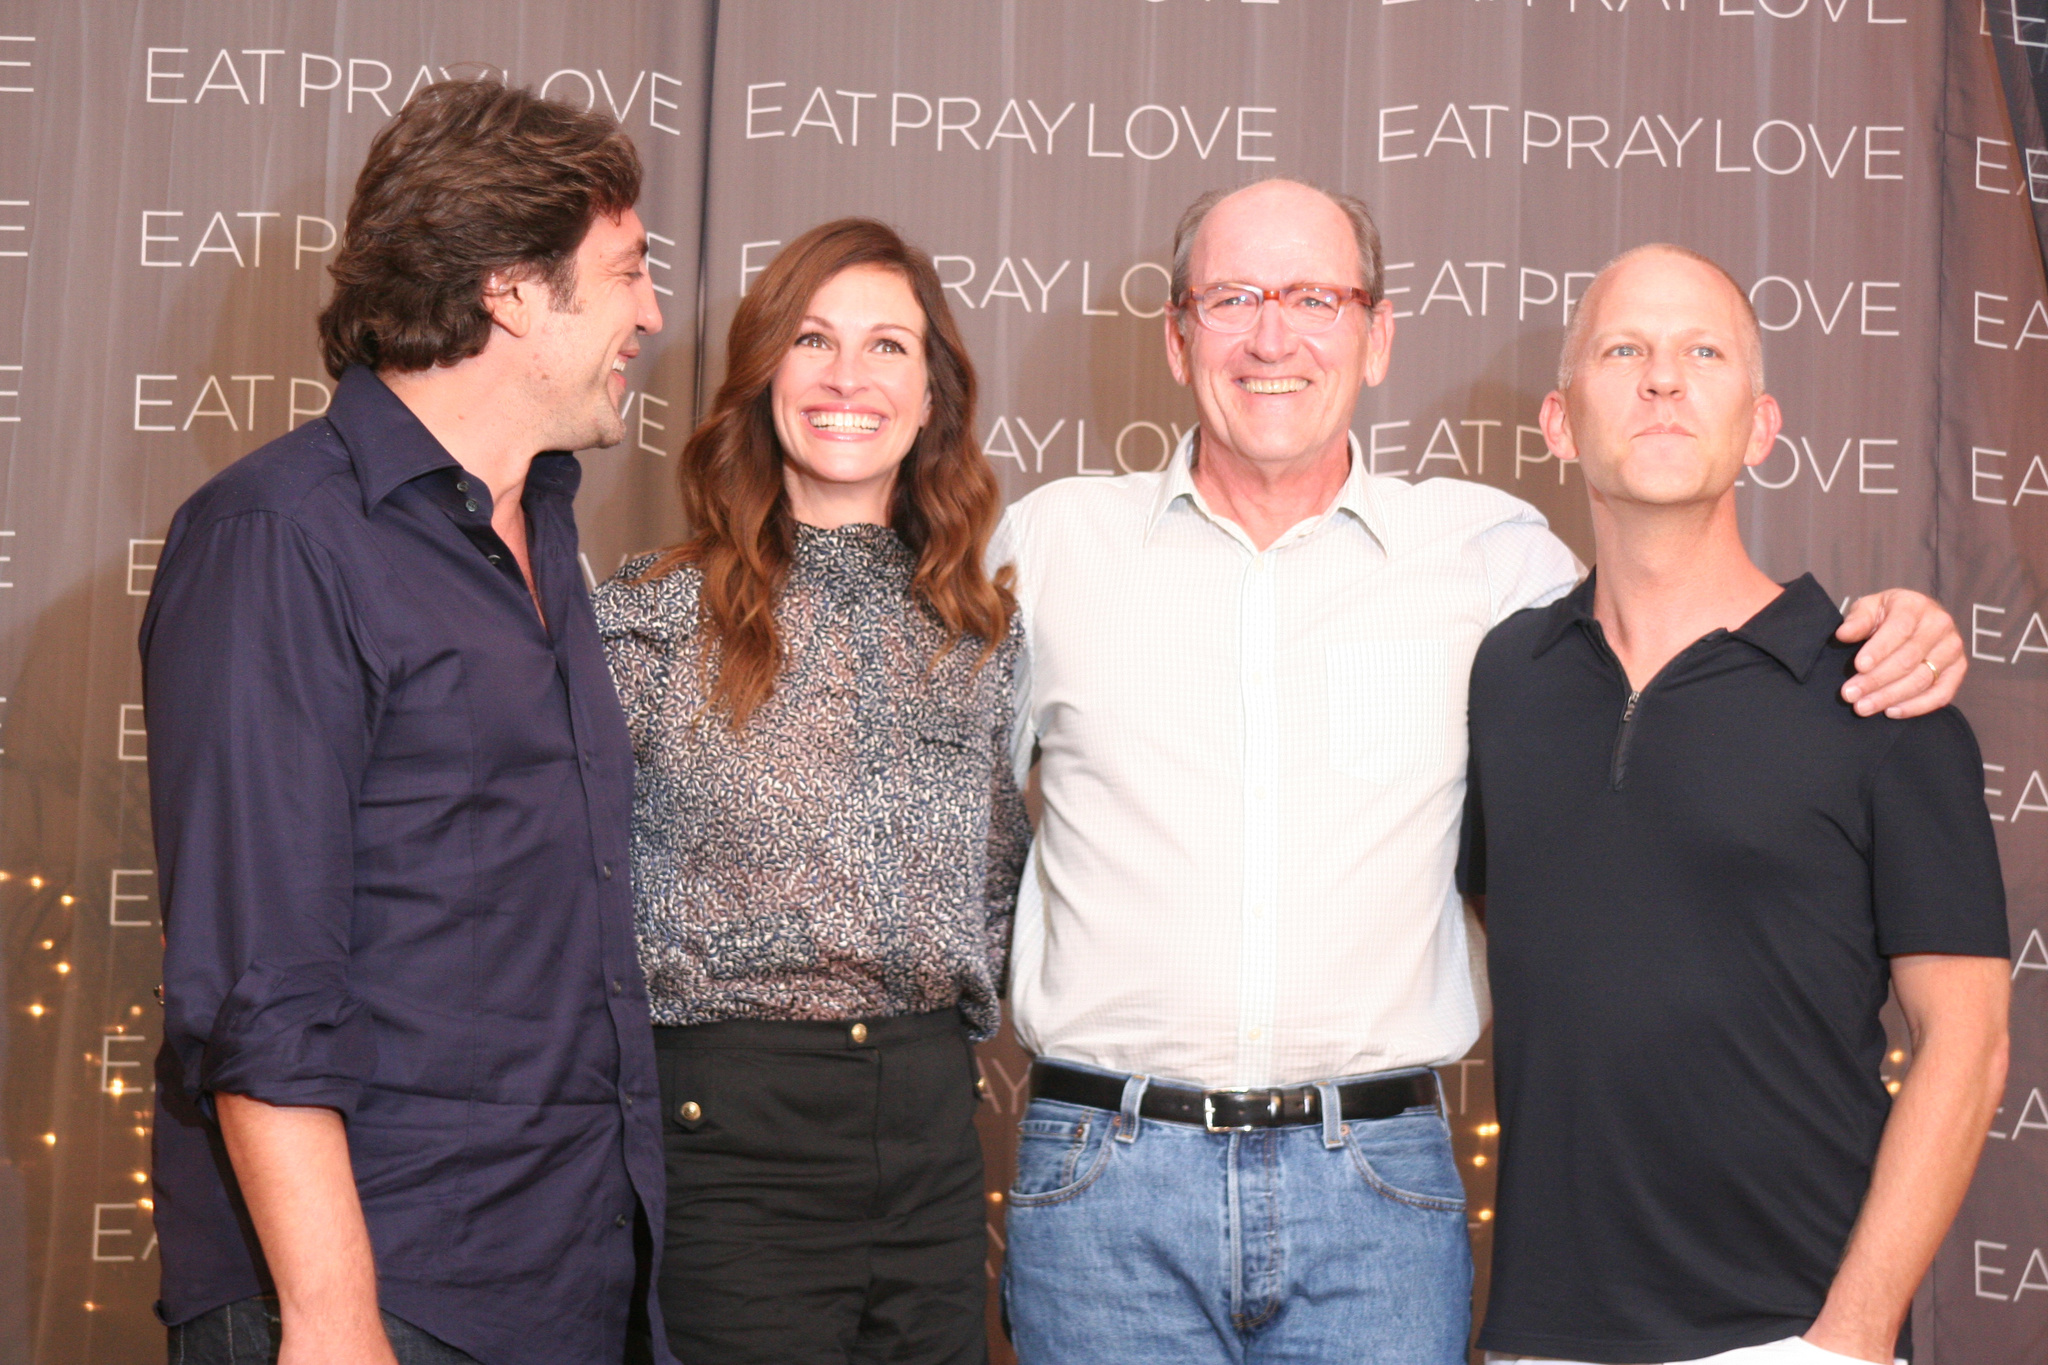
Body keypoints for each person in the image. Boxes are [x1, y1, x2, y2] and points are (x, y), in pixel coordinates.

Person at [991, 178, 1972, 1364]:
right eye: (1233, 296)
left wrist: (1896, 623)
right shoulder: (1044, 549)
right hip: (1104, 1181)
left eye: (1315, 297)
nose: (1271, 336)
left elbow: (1678, 600)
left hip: (1377, 1193)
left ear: (1379, 334)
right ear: (1177, 333)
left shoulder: (1490, 562)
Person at [142, 81, 670, 1365]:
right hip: (378, 1297)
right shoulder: (279, 537)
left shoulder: (542, 522)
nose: (652, 316)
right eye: (624, 274)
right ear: (509, 292)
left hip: (560, 1278)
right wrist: (333, 1320)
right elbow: (261, 979)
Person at [1460, 244, 2010, 1365]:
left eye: (1700, 352)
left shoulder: (1877, 687)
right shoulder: (1506, 675)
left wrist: (1845, 1341)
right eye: (1624, 351)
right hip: (1541, 1332)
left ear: (1758, 428)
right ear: (1559, 423)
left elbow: (1968, 1044)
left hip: (1789, 1335)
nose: (1661, 379)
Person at [594, 218, 1026, 1365]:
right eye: (812, 340)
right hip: (726, 1134)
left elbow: (994, 883)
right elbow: (573, 897)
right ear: (762, 376)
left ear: (931, 392)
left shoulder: (980, 630)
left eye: (887, 347)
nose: (847, 377)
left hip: (931, 1130)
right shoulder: (647, 616)